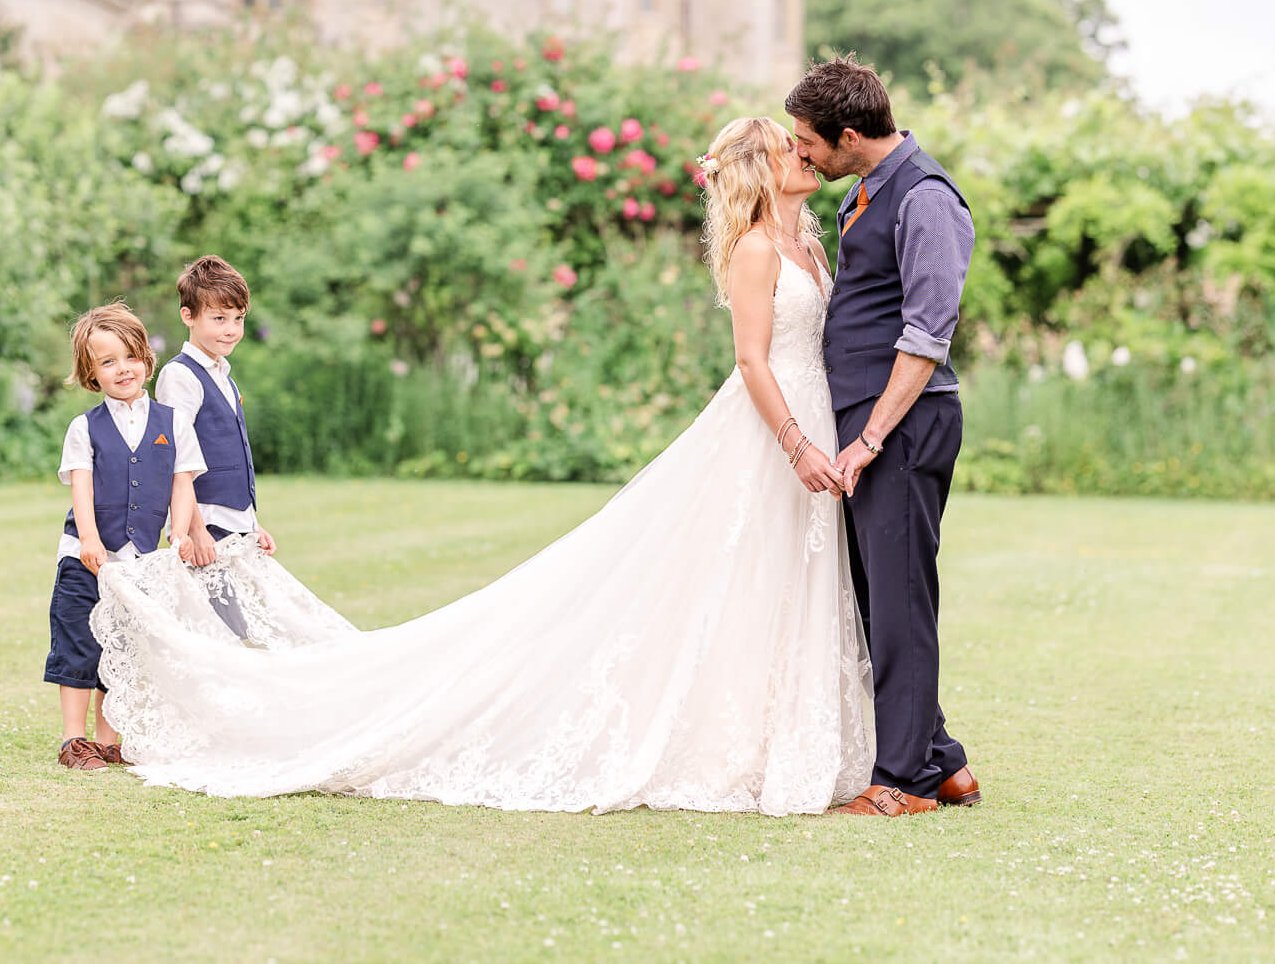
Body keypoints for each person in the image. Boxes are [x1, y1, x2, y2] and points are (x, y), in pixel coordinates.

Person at [87, 117, 873, 815]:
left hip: (814, 418)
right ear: (759, 170)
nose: (801, 153)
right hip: (771, 430)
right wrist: (798, 443)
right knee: (732, 572)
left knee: (772, 579)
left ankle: (779, 736)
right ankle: (736, 742)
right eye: (784, 147)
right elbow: (750, 358)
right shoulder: (758, 250)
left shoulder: (809, 241)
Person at [785, 56, 982, 816]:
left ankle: (900, 780)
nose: (800, 154)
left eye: (807, 143)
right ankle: (943, 761)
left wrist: (867, 439)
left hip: (902, 423)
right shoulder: (866, 189)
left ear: (845, 135)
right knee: (876, 597)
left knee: (899, 600)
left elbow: (926, 333)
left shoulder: (926, 197)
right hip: (869, 425)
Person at [45, 304, 207, 771]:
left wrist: (179, 536)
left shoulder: (172, 423)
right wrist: (91, 540)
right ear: (91, 373)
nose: (123, 369)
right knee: (79, 643)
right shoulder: (84, 428)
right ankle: (74, 741)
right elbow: (81, 487)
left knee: (123, 647)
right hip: (86, 558)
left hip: (138, 562)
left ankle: (108, 740)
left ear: (146, 360)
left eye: (130, 357)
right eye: (108, 361)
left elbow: (182, 484)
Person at [153, 256, 275, 560]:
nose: (231, 329)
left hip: (234, 524)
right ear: (188, 316)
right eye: (219, 319)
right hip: (206, 524)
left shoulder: (223, 376)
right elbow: (175, 460)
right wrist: (195, 530)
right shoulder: (181, 376)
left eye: (238, 319)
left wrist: (252, 524)